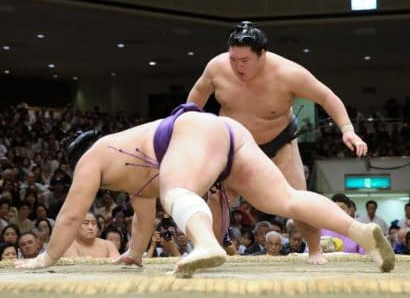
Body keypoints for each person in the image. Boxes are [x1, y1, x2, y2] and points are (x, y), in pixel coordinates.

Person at [15, 103, 393, 277]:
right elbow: (142, 222)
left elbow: (70, 214)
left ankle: (206, 243)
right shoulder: (130, 173)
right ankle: (359, 231)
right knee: (284, 199)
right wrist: (133, 254)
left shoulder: (92, 157)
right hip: (226, 133)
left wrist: (46, 258)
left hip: (190, 131)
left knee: (174, 188)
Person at [187, 21, 368, 264]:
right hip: (234, 145)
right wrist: (187, 125)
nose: (237, 66)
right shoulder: (217, 67)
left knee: (299, 200)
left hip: (278, 142)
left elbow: (326, 96)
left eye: (244, 60)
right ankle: (210, 250)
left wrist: (347, 129)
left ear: (262, 54)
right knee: (216, 200)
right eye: (233, 59)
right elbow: (197, 95)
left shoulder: (288, 73)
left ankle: (315, 250)